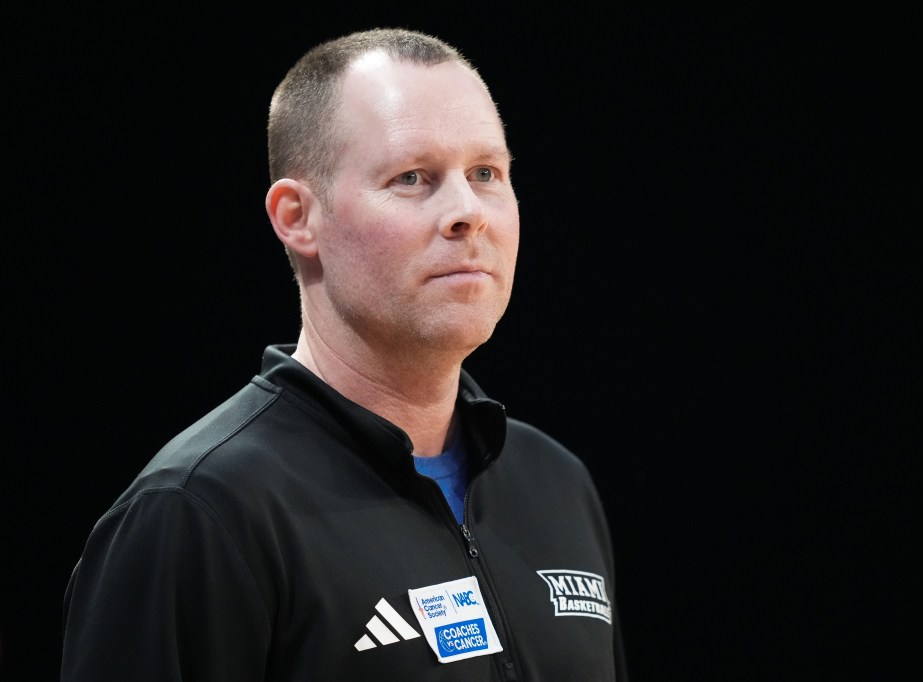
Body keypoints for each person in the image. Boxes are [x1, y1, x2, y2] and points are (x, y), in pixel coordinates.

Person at [59, 27, 627, 680]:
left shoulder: (555, 483)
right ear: (297, 217)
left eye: (486, 173)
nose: (468, 212)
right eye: (412, 177)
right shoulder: (200, 512)